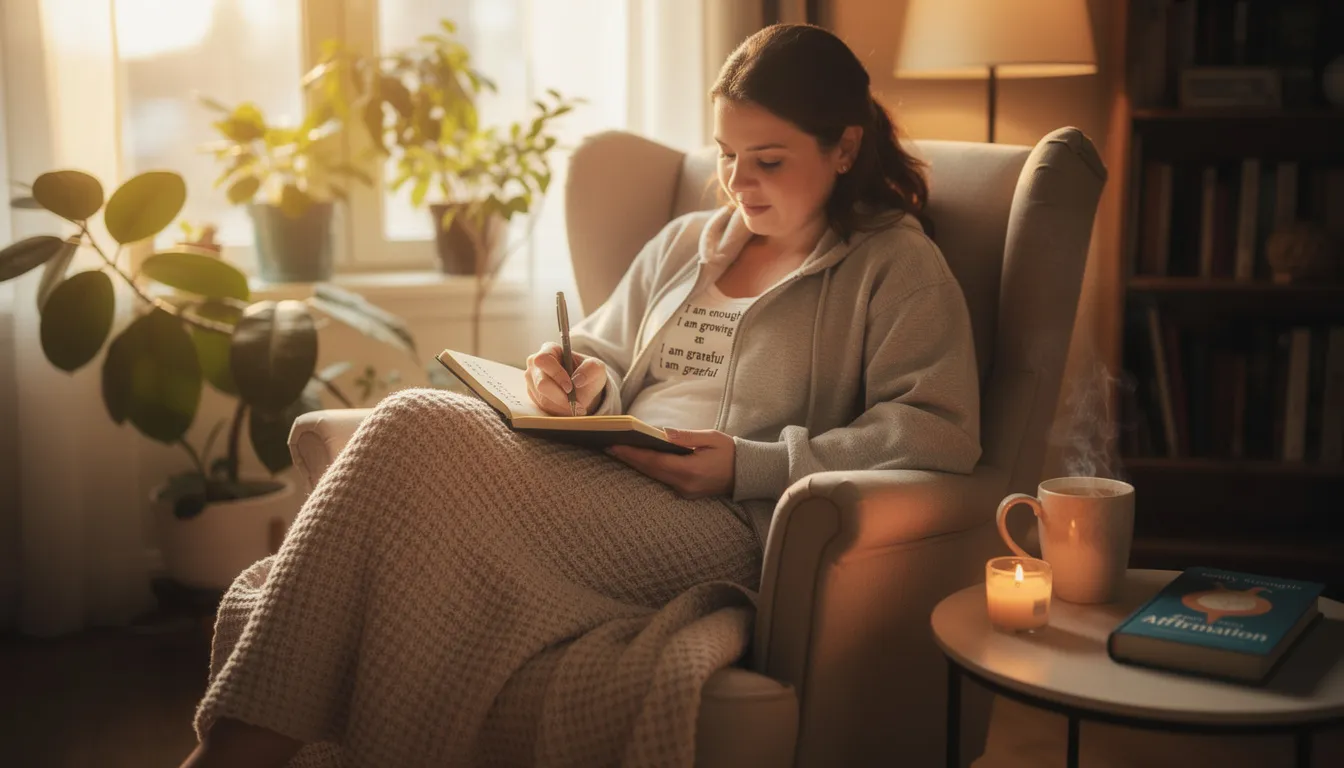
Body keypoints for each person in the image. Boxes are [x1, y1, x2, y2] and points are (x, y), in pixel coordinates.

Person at [179, 22, 980, 768]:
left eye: (768, 161)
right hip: (604, 476)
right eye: (726, 155)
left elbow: (938, 428)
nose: (738, 182)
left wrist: (749, 464)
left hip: (721, 522)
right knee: (411, 426)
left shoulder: (892, 265)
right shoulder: (686, 244)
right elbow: (602, 348)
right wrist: (577, 377)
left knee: (413, 422)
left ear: (844, 148)